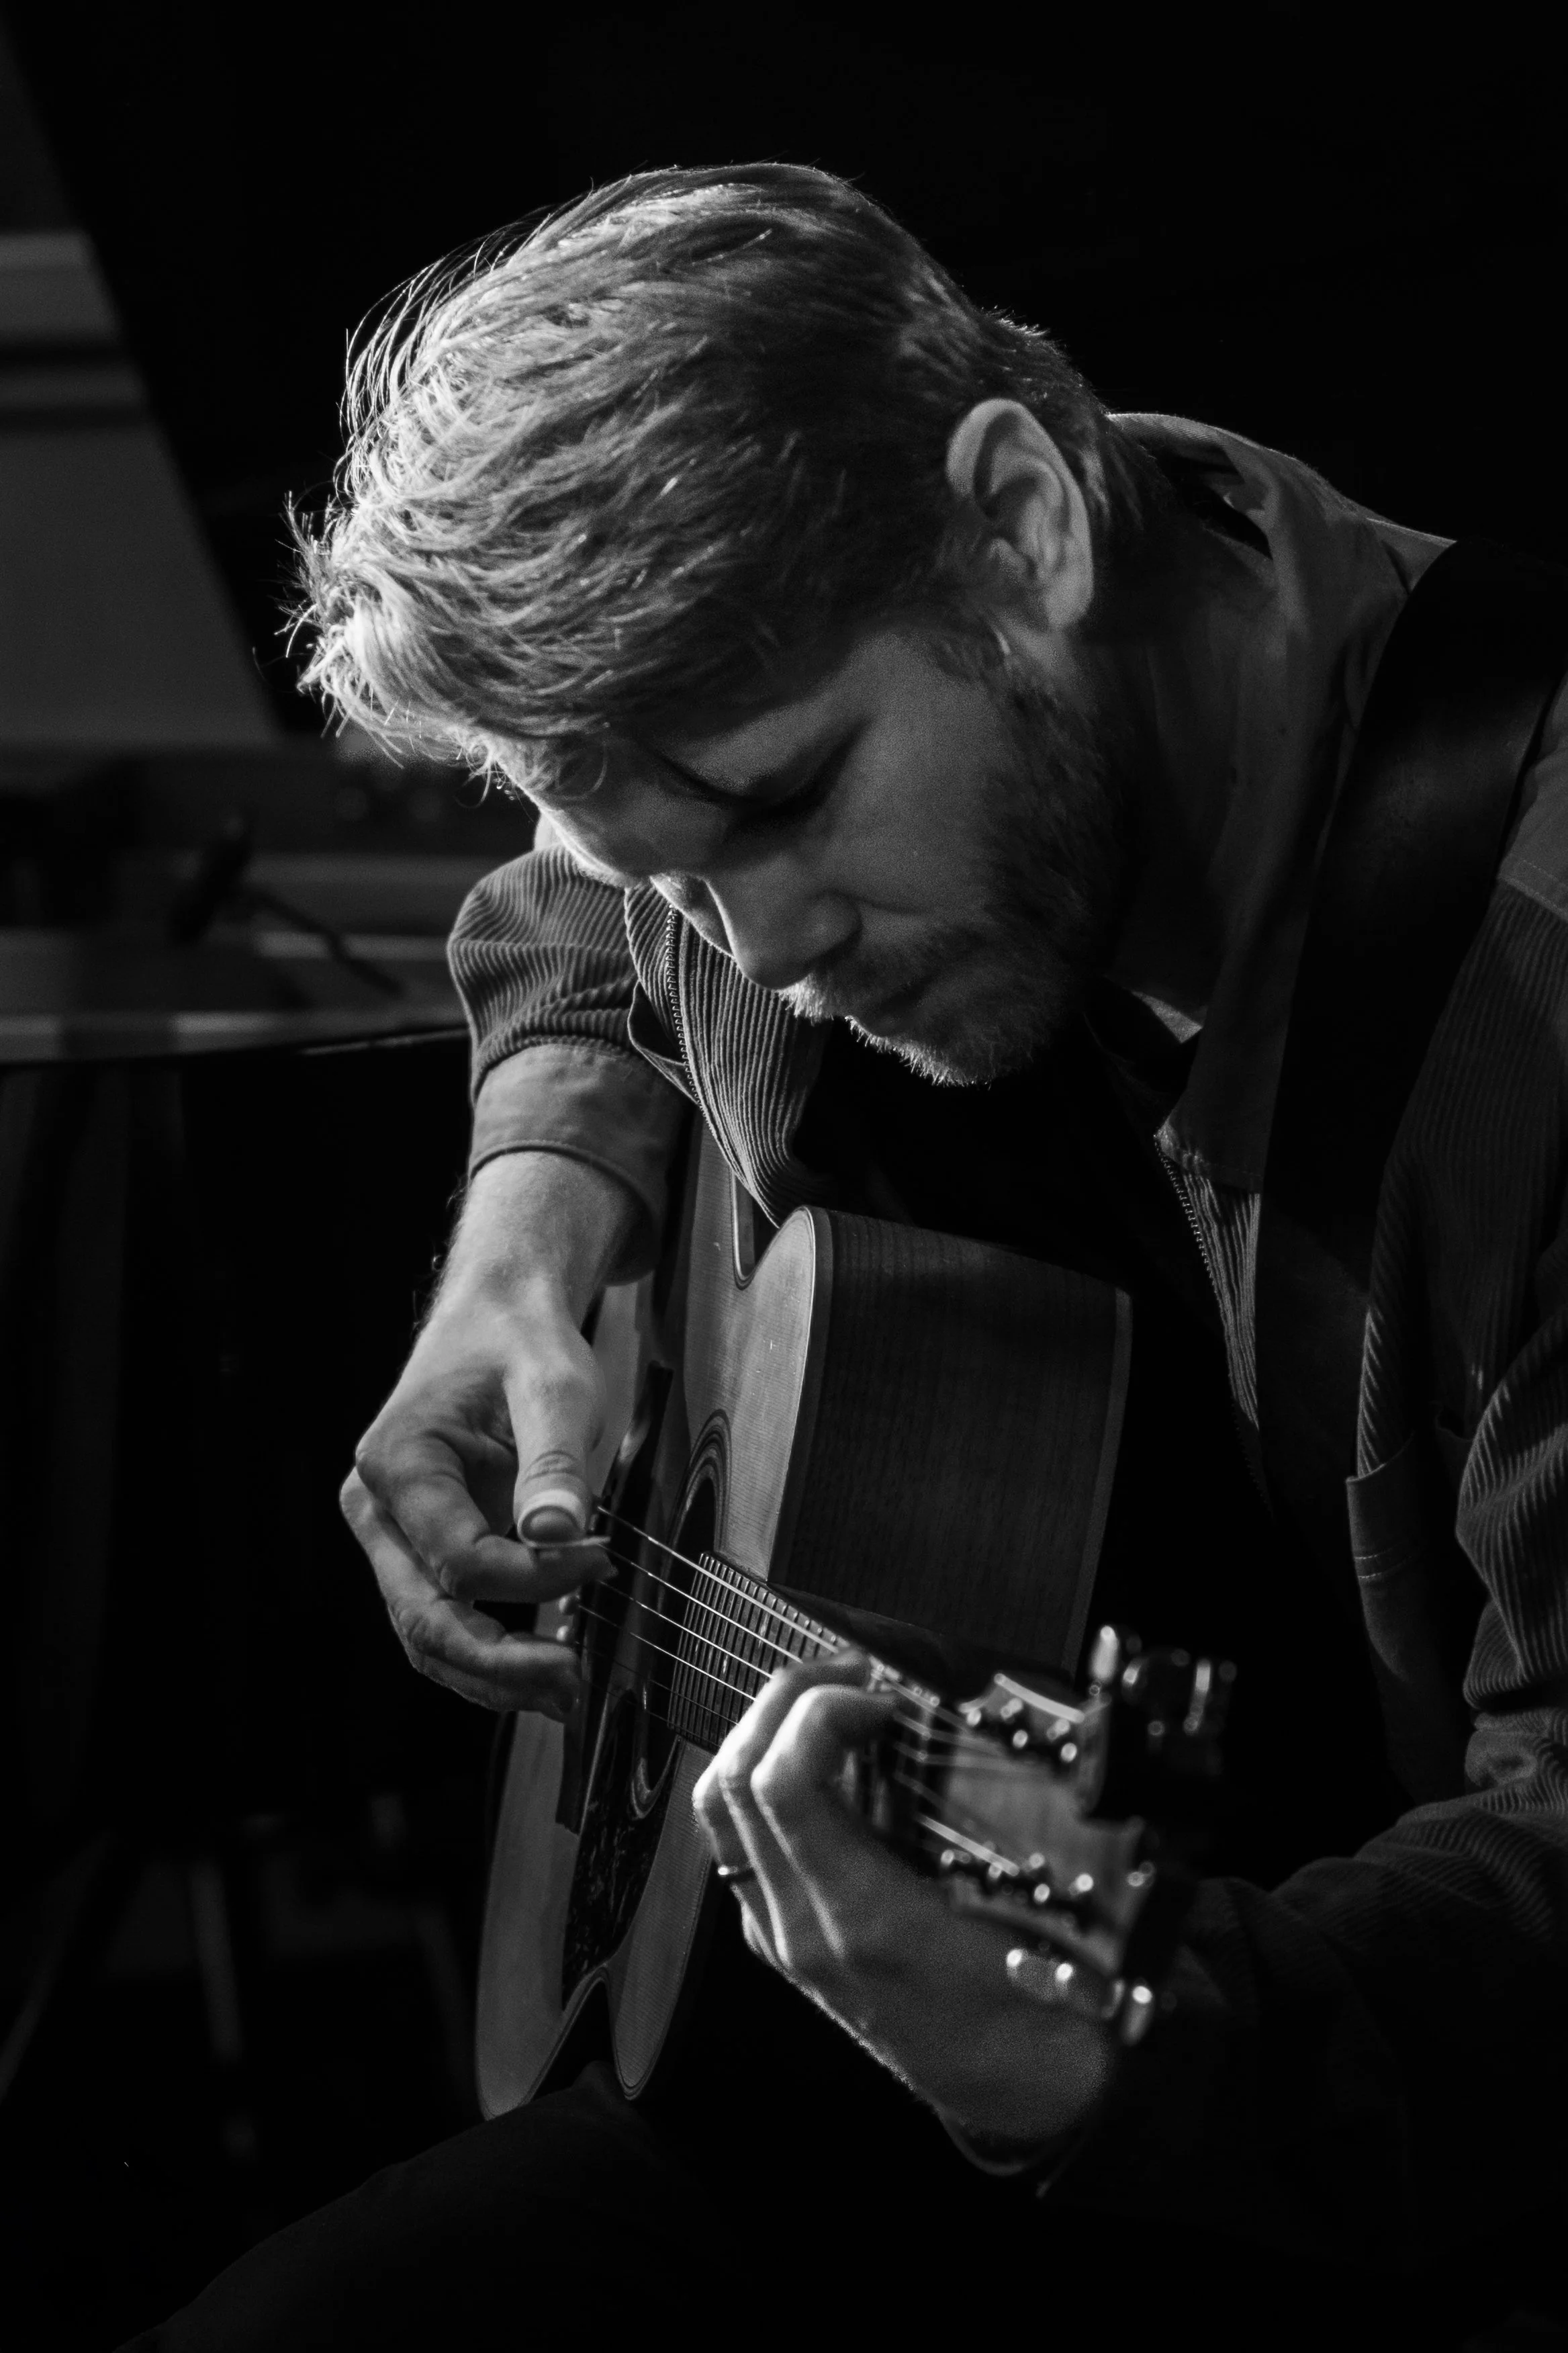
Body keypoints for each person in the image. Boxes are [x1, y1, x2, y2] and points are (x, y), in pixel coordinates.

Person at [128, 163, 1568, 2348]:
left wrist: (1100, 2035)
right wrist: (532, 1220)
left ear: (1024, 526)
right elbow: (587, 874)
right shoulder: (838, 645)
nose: (768, 951)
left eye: (790, 804)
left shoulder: (1527, 995)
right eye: (675, 880)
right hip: (916, 1998)